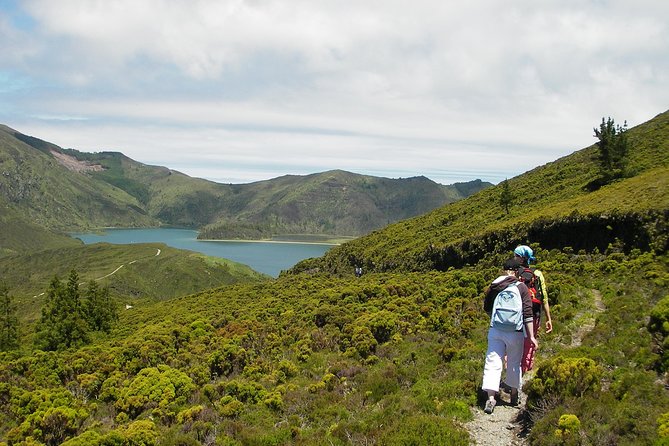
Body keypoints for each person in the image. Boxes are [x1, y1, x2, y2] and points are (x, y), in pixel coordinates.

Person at [481, 257, 537, 414]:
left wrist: (495, 320)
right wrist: (531, 336)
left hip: (496, 330)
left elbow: (487, 308)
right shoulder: (521, 288)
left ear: (503, 270)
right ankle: (513, 394)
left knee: (493, 360)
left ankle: (491, 398)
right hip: (515, 331)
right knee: (514, 362)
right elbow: (528, 313)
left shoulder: (495, 285)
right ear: (517, 272)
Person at [513, 245, 552, 373]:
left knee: (514, 343)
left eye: (516, 255)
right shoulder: (537, 274)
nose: (514, 257)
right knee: (530, 342)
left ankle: (512, 372)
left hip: (516, 314)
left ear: (521, 258)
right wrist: (548, 318)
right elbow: (544, 297)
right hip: (534, 314)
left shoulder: (514, 273)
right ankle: (524, 369)